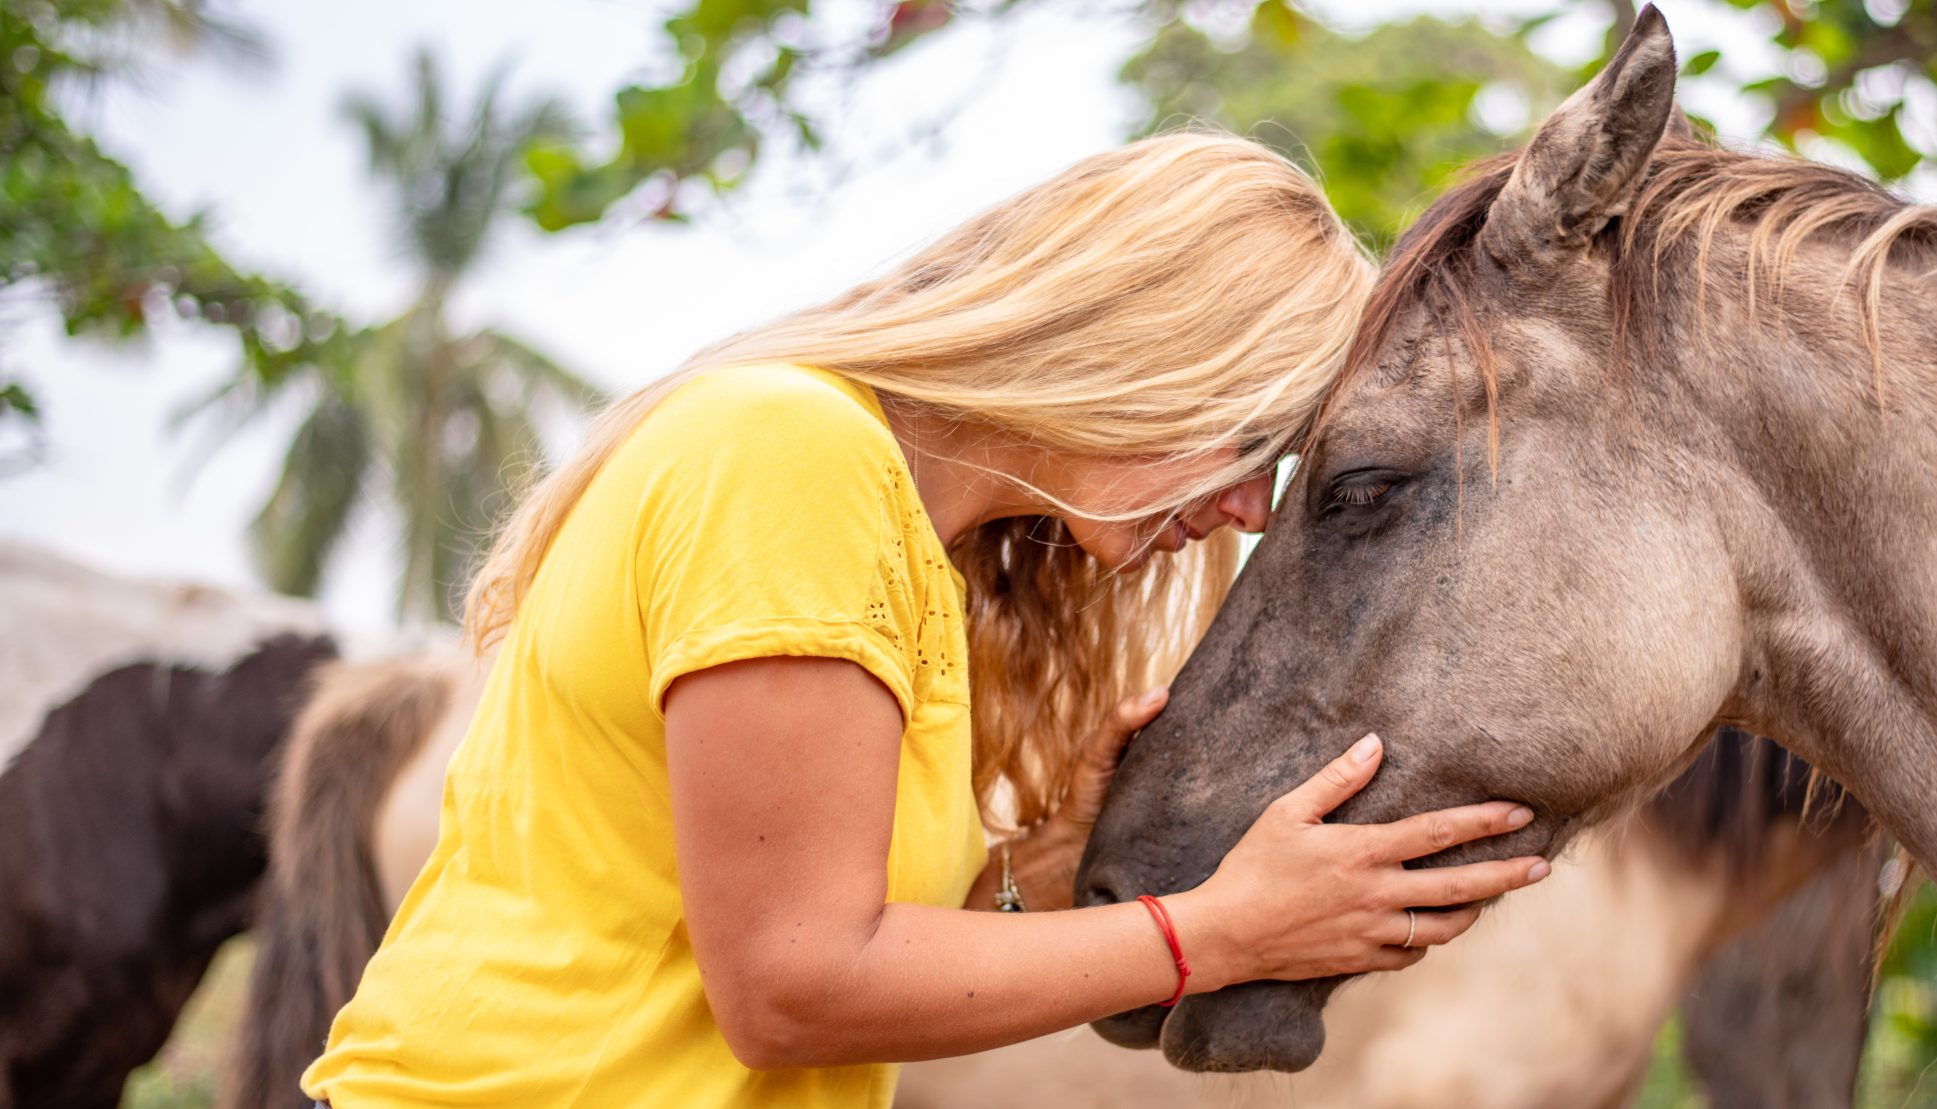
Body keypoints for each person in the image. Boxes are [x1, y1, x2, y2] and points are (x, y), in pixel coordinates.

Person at [301, 133, 1551, 1107]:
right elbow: (793, 984)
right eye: (1247, 440)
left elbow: (791, 924)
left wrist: (1041, 869)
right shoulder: (794, 458)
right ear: (1149, 350)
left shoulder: (915, 545)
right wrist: (1213, 934)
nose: (1238, 508)